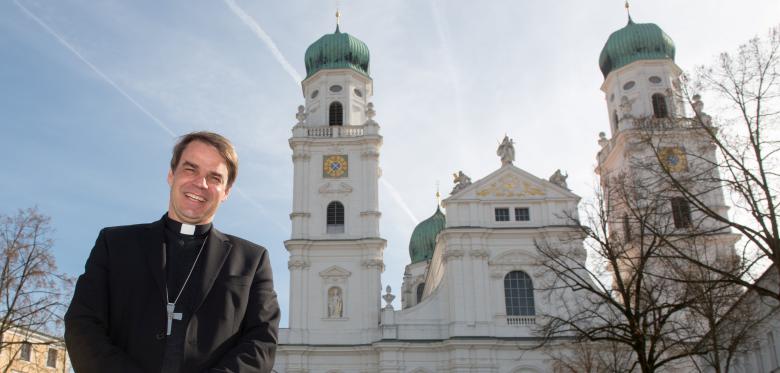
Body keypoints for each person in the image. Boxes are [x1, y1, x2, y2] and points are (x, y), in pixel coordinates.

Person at [65, 131, 280, 373]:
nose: (201, 184)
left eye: (215, 177)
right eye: (191, 169)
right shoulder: (114, 244)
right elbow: (82, 324)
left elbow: (261, 341)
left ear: (227, 191)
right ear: (171, 174)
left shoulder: (252, 260)